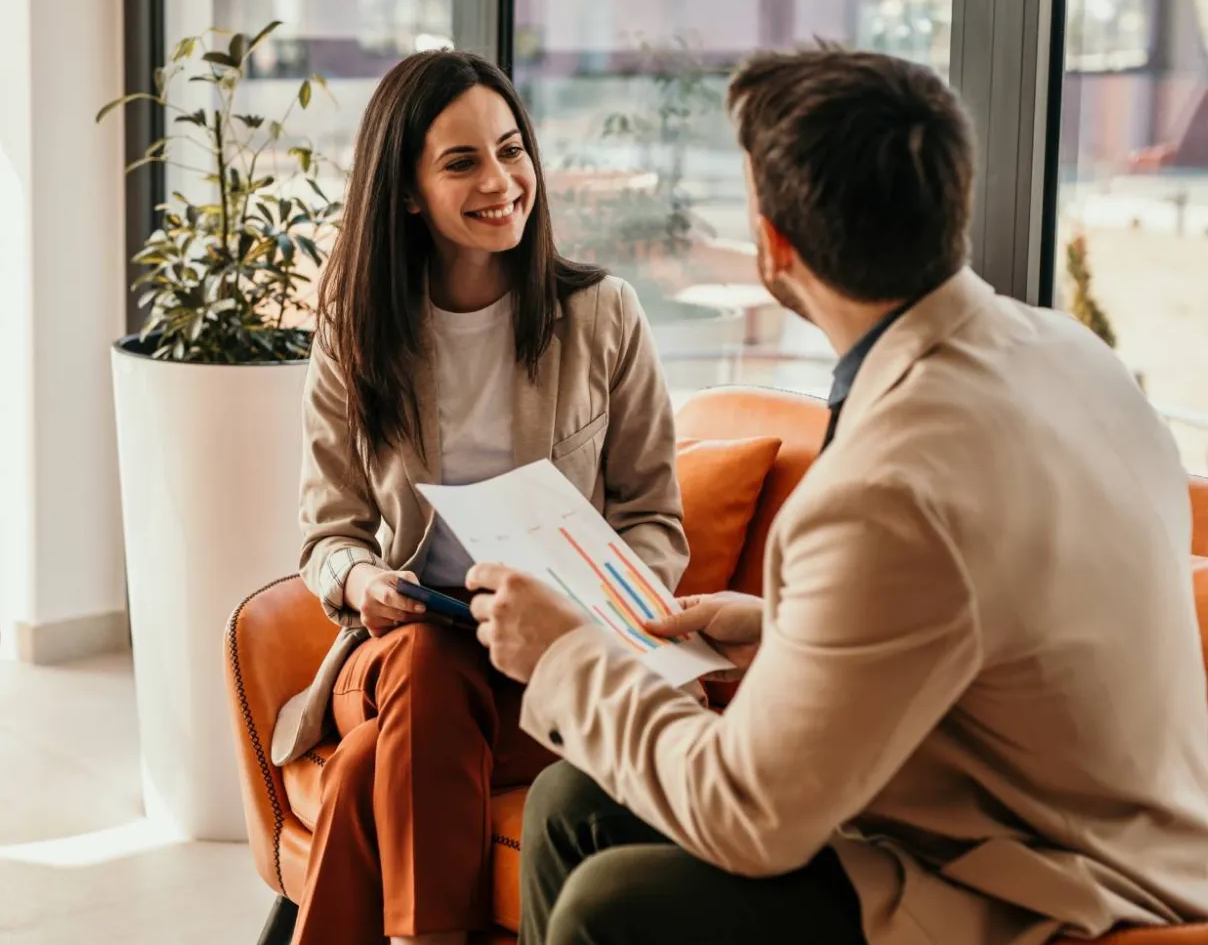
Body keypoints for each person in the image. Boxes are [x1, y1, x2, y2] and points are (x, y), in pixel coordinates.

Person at [469, 47, 1208, 945]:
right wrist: (782, 623)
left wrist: (568, 654)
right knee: (575, 799)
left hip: (1050, 890)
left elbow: (748, 818)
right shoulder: (1074, 356)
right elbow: (997, 610)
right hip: (1104, 831)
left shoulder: (887, 488)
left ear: (774, 245)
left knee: (611, 906)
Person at [271, 49, 689, 945]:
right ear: (410, 191)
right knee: (427, 661)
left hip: (545, 654)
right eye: (462, 162)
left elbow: (654, 516)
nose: (501, 181)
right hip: (399, 651)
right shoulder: (357, 327)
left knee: (365, 778)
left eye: (511, 150)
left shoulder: (603, 315)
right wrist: (359, 583)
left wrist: (590, 598)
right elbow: (327, 533)